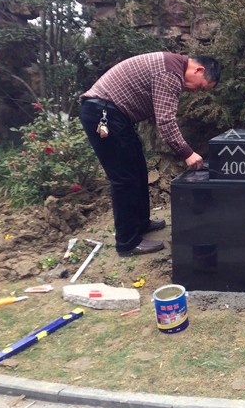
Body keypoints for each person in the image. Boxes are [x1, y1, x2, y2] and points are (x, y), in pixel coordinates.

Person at [79, 51, 222, 257]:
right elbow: (165, 121)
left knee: (138, 171)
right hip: (103, 114)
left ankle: (140, 223)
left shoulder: (171, 67)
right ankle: (127, 243)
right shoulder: (170, 73)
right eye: (200, 87)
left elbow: (159, 113)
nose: (195, 92)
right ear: (198, 70)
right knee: (124, 179)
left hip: (114, 115)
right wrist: (187, 153)